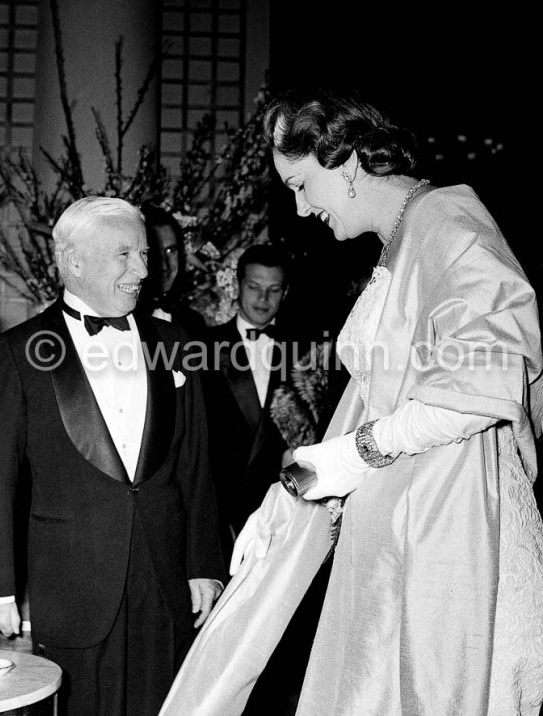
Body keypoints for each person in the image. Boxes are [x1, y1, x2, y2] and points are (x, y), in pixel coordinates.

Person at [159, 88, 543, 715]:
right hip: (399, 526)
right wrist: (287, 494)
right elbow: (369, 408)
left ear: (347, 162)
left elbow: (486, 383)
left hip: (447, 529)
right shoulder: (405, 235)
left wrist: (354, 453)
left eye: (302, 183)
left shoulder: (448, 222)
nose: (301, 207)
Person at [0, 196, 225, 716]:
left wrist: (205, 565)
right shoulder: (17, 352)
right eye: (125, 254)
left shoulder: (176, 343)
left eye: (143, 255)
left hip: (166, 586)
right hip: (71, 588)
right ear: (73, 262)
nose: (143, 270)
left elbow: (195, 466)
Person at [202, 243, 299, 563]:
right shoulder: (203, 347)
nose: (263, 299)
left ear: (285, 293)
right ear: (238, 285)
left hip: (282, 509)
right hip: (222, 512)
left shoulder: (303, 352)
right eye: (254, 287)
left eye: (273, 290)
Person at [138, 201, 206, 337]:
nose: (164, 265)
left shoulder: (194, 322)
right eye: (155, 252)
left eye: (171, 251)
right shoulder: (121, 319)